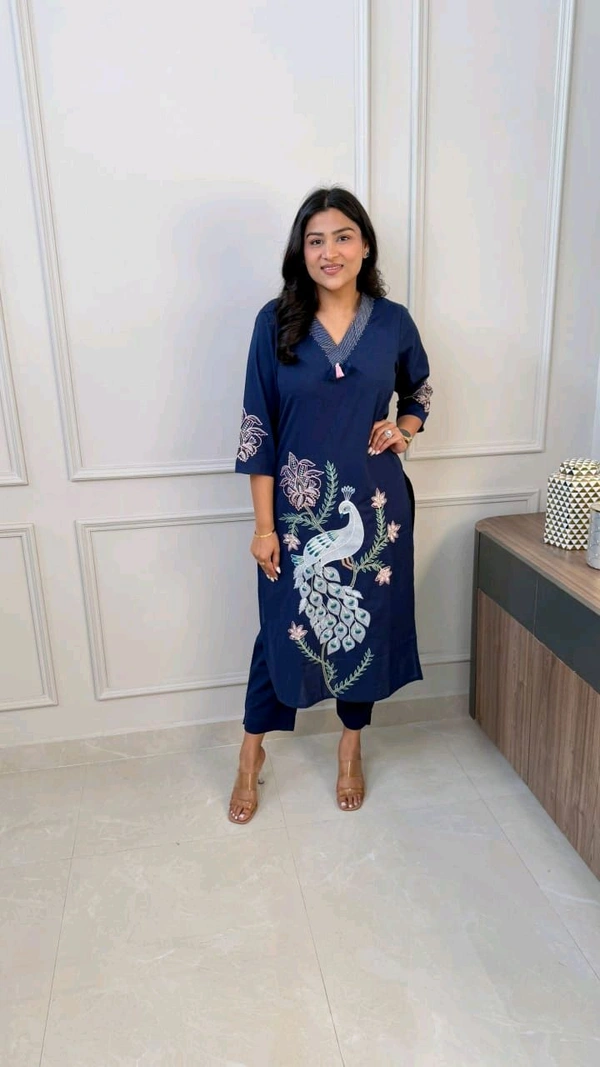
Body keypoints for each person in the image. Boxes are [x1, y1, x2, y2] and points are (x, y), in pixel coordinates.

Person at [229, 187, 432, 824]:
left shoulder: (392, 322)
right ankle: (250, 752)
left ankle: (351, 746)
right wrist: (264, 528)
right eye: (315, 240)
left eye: (342, 237)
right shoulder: (275, 322)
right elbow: (257, 427)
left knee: (364, 626)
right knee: (279, 632)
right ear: (302, 252)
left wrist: (404, 429)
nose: (329, 251)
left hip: (376, 509)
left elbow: (419, 389)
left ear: (364, 244)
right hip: (294, 517)